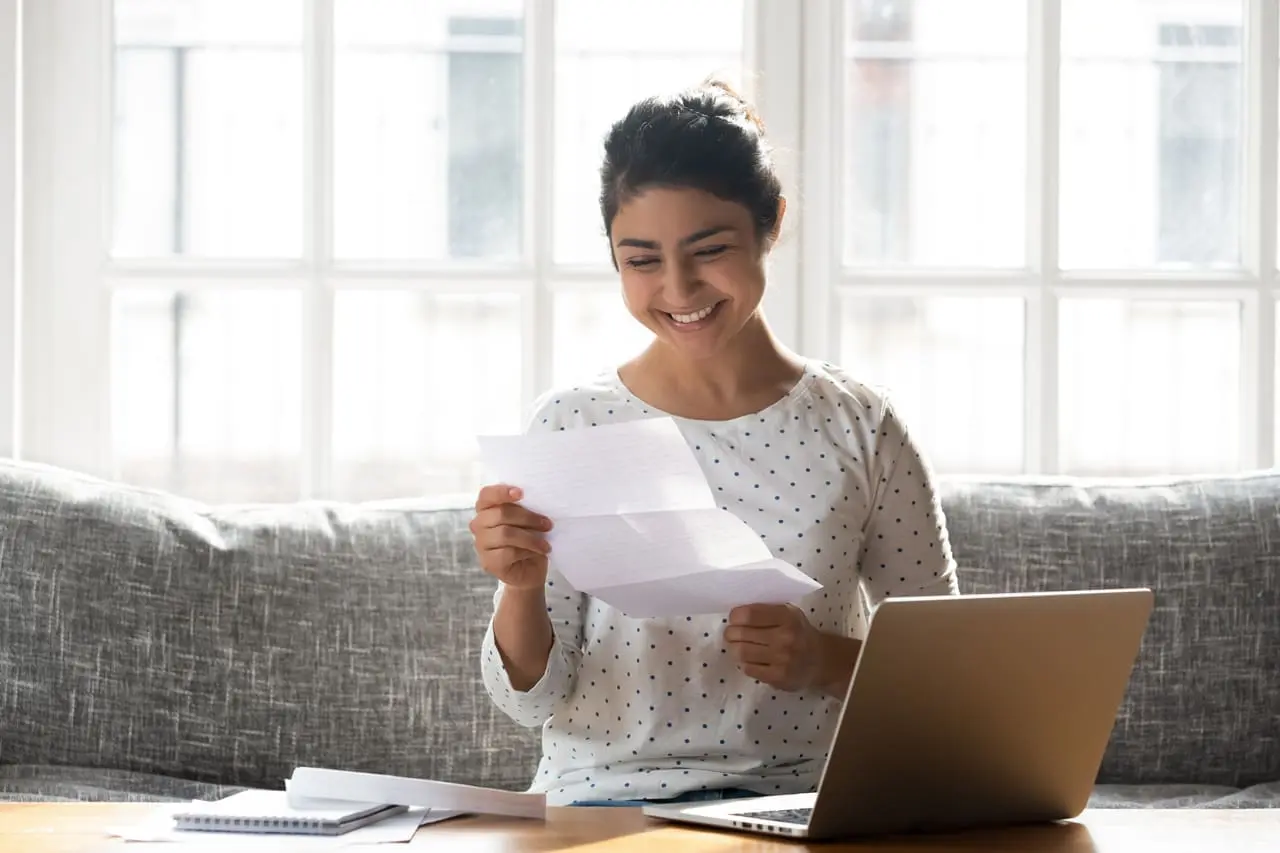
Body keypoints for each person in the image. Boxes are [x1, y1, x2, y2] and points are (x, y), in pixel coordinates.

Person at [471, 79, 959, 807]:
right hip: (606, 803)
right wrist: (520, 584)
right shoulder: (572, 423)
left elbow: (951, 682)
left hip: (800, 802)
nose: (678, 287)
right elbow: (530, 702)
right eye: (640, 260)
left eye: (709, 249)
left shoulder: (862, 425)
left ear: (772, 224)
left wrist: (825, 661)